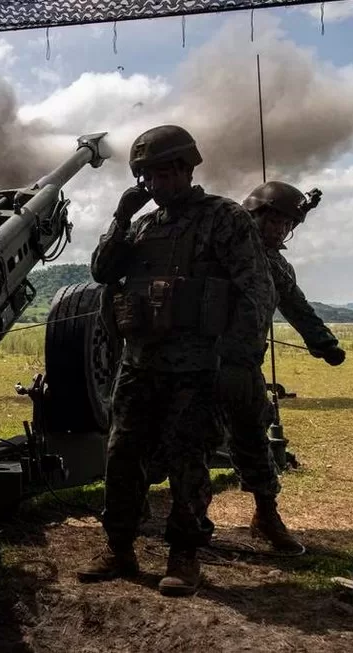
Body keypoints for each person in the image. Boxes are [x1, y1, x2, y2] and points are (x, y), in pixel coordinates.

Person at [78, 125, 274, 596]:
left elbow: (256, 291)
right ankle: (119, 545)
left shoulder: (223, 218)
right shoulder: (145, 224)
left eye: (161, 174)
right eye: (144, 177)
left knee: (189, 460)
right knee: (122, 454)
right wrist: (121, 217)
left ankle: (184, 555)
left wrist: (236, 361)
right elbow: (103, 271)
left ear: (185, 169)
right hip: (140, 362)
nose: (153, 185)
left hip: (197, 367)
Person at [216, 181, 345, 553]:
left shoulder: (275, 264)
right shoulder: (217, 250)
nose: (279, 229)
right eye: (272, 221)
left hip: (243, 368)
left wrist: (323, 342)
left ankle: (266, 516)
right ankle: (182, 526)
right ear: (253, 215)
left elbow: (297, 306)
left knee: (254, 440)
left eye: (286, 224)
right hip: (197, 364)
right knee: (183, 441)